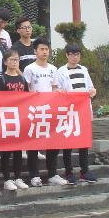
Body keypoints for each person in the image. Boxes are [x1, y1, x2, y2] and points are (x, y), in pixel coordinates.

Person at [54, 43, 99, 185]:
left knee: (83, 142)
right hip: (69, 110)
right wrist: (61, 93)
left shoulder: (83, 69)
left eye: (77, 54)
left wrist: (92, 92)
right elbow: (56, 89)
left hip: (83, 110)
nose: (75, 57)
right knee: (68, 142)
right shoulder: (61, 71)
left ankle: (84, 171)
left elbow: (91, 87)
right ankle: (68, 172)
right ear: (67, 55)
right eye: (72, 54)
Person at [23, 38, 65, 186]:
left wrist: (58, 93)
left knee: (53, 142)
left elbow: (55, 87)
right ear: (35, 51)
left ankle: (52, 174)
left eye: (46, 49)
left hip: (50, 110)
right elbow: (26, 89)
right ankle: (34, 175)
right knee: (33, 145)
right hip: (34, 110)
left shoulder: (53, 69)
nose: (44, 52)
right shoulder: (29, 69)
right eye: (41, 49)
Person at [0, 48, 30, 192]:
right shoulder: (1, 79)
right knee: (6, 151)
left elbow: (27, 97)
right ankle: (7, 179)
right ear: (5, 62)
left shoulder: (22, 79)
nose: (15, 62)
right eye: (12, 59)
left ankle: (18, 177)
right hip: (6, 118)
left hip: (20, 118)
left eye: (17, 60)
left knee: (18, 150)